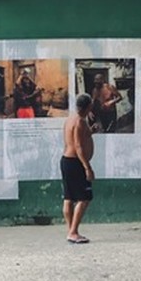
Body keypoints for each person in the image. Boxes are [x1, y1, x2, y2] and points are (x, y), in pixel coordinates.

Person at [61, 93, 95, 244]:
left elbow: (79, 138)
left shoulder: (70, 119)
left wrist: (91, 131)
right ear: (89, 106)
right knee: (84, 198)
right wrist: (87, 167)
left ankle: (71, 231)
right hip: (76, 162)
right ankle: (73, 232)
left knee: (68, 198)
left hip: (66, 161)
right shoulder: (80, 122)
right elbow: (78, 147)